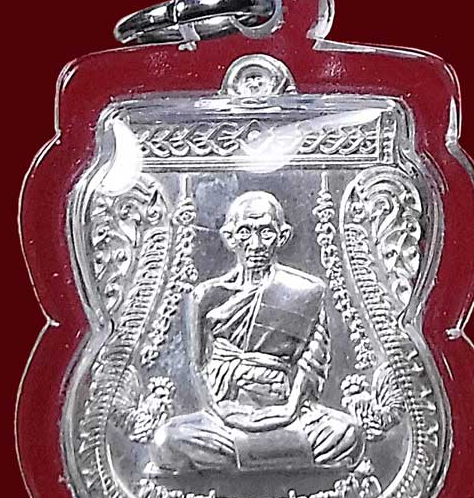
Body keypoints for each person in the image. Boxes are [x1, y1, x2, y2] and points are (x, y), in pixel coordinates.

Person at [149, 191, 364, 473]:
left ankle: (252, 457)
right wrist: (221, 411)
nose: (256, 244)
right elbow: (197, 366)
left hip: (287, 412)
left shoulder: (306, 292)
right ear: (229, 237)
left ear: (283, 236)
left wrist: (289, 410)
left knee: (347, 433)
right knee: (166, 441)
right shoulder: (208, 296)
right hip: (222, 418)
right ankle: (277, 456)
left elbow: (312, 364)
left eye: (266, 232)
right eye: (245, 232)